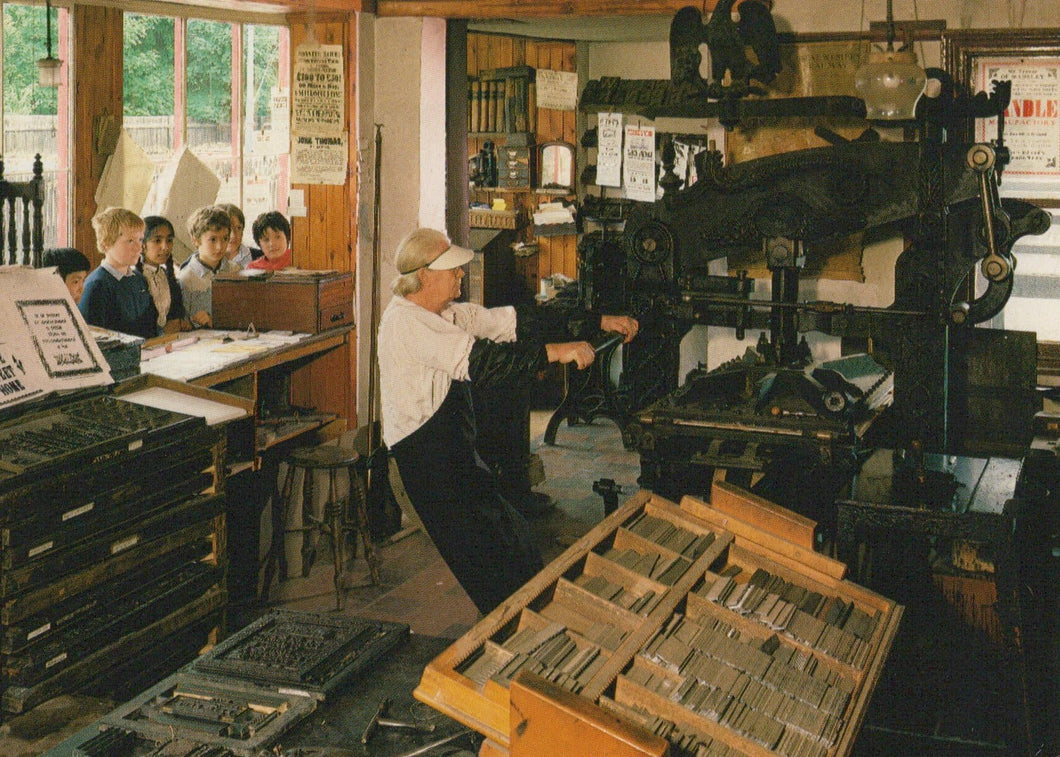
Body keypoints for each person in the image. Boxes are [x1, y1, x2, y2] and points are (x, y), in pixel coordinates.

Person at [377, 227, 638, 615]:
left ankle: (526, 627)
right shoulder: (408, 323)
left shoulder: (446, 313)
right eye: (452, 269)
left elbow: (519, 321)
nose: (461, 274)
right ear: (425, 275)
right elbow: (485, 363)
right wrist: (558, 352)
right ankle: (514, 636)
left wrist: (598, 321)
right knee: (494, 572)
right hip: (425, 465)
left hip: (452, 456)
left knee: (516, 542)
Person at [79, 207, 158, 339]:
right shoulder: (96, 286)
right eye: (130, 241)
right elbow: (94, 339)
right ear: (106, 244)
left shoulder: (139, 280)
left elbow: (152, 327)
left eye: (140, 240)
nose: (139, 248)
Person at [178, 205, 235, 328]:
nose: (220, 246)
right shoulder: (186, 279)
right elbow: (183, 324)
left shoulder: (236, 271)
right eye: (213, 239)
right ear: (196, 240)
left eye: (225, 238)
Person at [138, 216, 189, 333]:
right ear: (143, 244)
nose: (165, 247)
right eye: (157, 241)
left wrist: (181, 323)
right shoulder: (134, 278)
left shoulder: (165, 276)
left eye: (169, 240)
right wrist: (162, 331)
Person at [216, 203, 261, 270]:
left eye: (238, 228)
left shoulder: (260, 257)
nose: (233, 235)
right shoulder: (207, 261)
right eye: (228, 229)